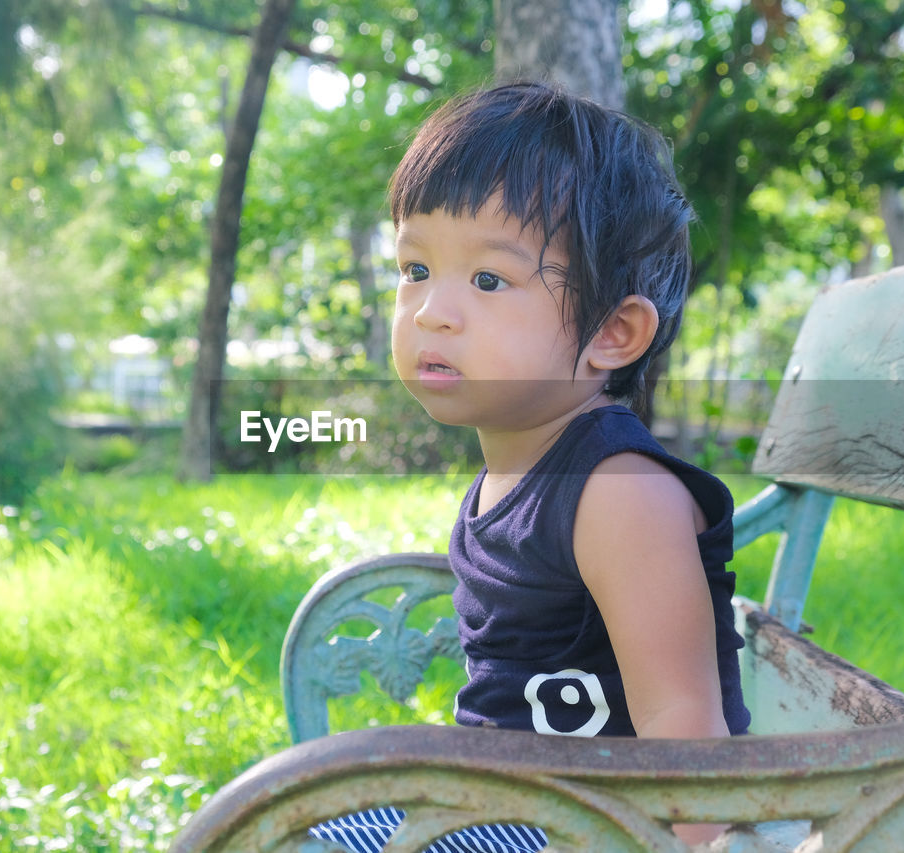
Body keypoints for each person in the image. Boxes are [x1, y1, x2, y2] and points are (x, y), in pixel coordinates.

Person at [311, 80, 749, 853]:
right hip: (501, 804)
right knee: (297, 822)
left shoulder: (618, 492)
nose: (431, 310)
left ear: (612, 333)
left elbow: (687, 732)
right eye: (415, 269)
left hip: (583, 829)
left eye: (487, 280)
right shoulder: (510, 473)